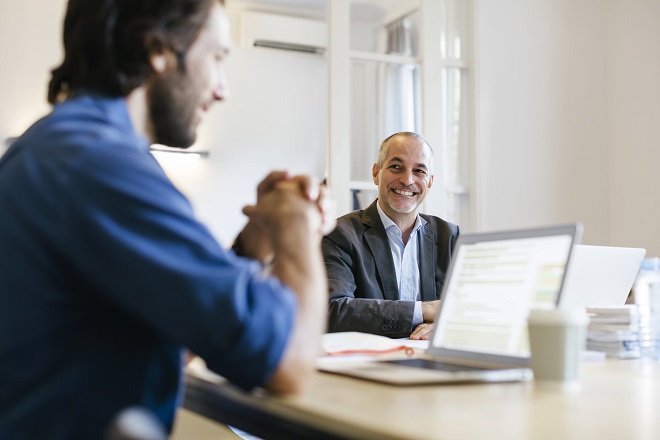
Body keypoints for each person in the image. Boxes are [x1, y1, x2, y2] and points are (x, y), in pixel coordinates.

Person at [0, 0, 335, 438]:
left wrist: (256, 243)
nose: (222, 89)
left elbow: (180, 325)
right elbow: (287, 360)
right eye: (216, 57)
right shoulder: (100, 164)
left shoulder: (65, 148)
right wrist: (297, 225)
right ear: (158, 50)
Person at [323, 132, 459, 340]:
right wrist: (423, 311)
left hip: (431, 362)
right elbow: (333, 311)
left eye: (419, 171)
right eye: (396, 167)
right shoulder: (340, 234)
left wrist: (446, 325)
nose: (407, 180)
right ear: (376, 173)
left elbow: (473, 310)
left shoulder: (450, 237)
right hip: (366, 365)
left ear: (429, 182)